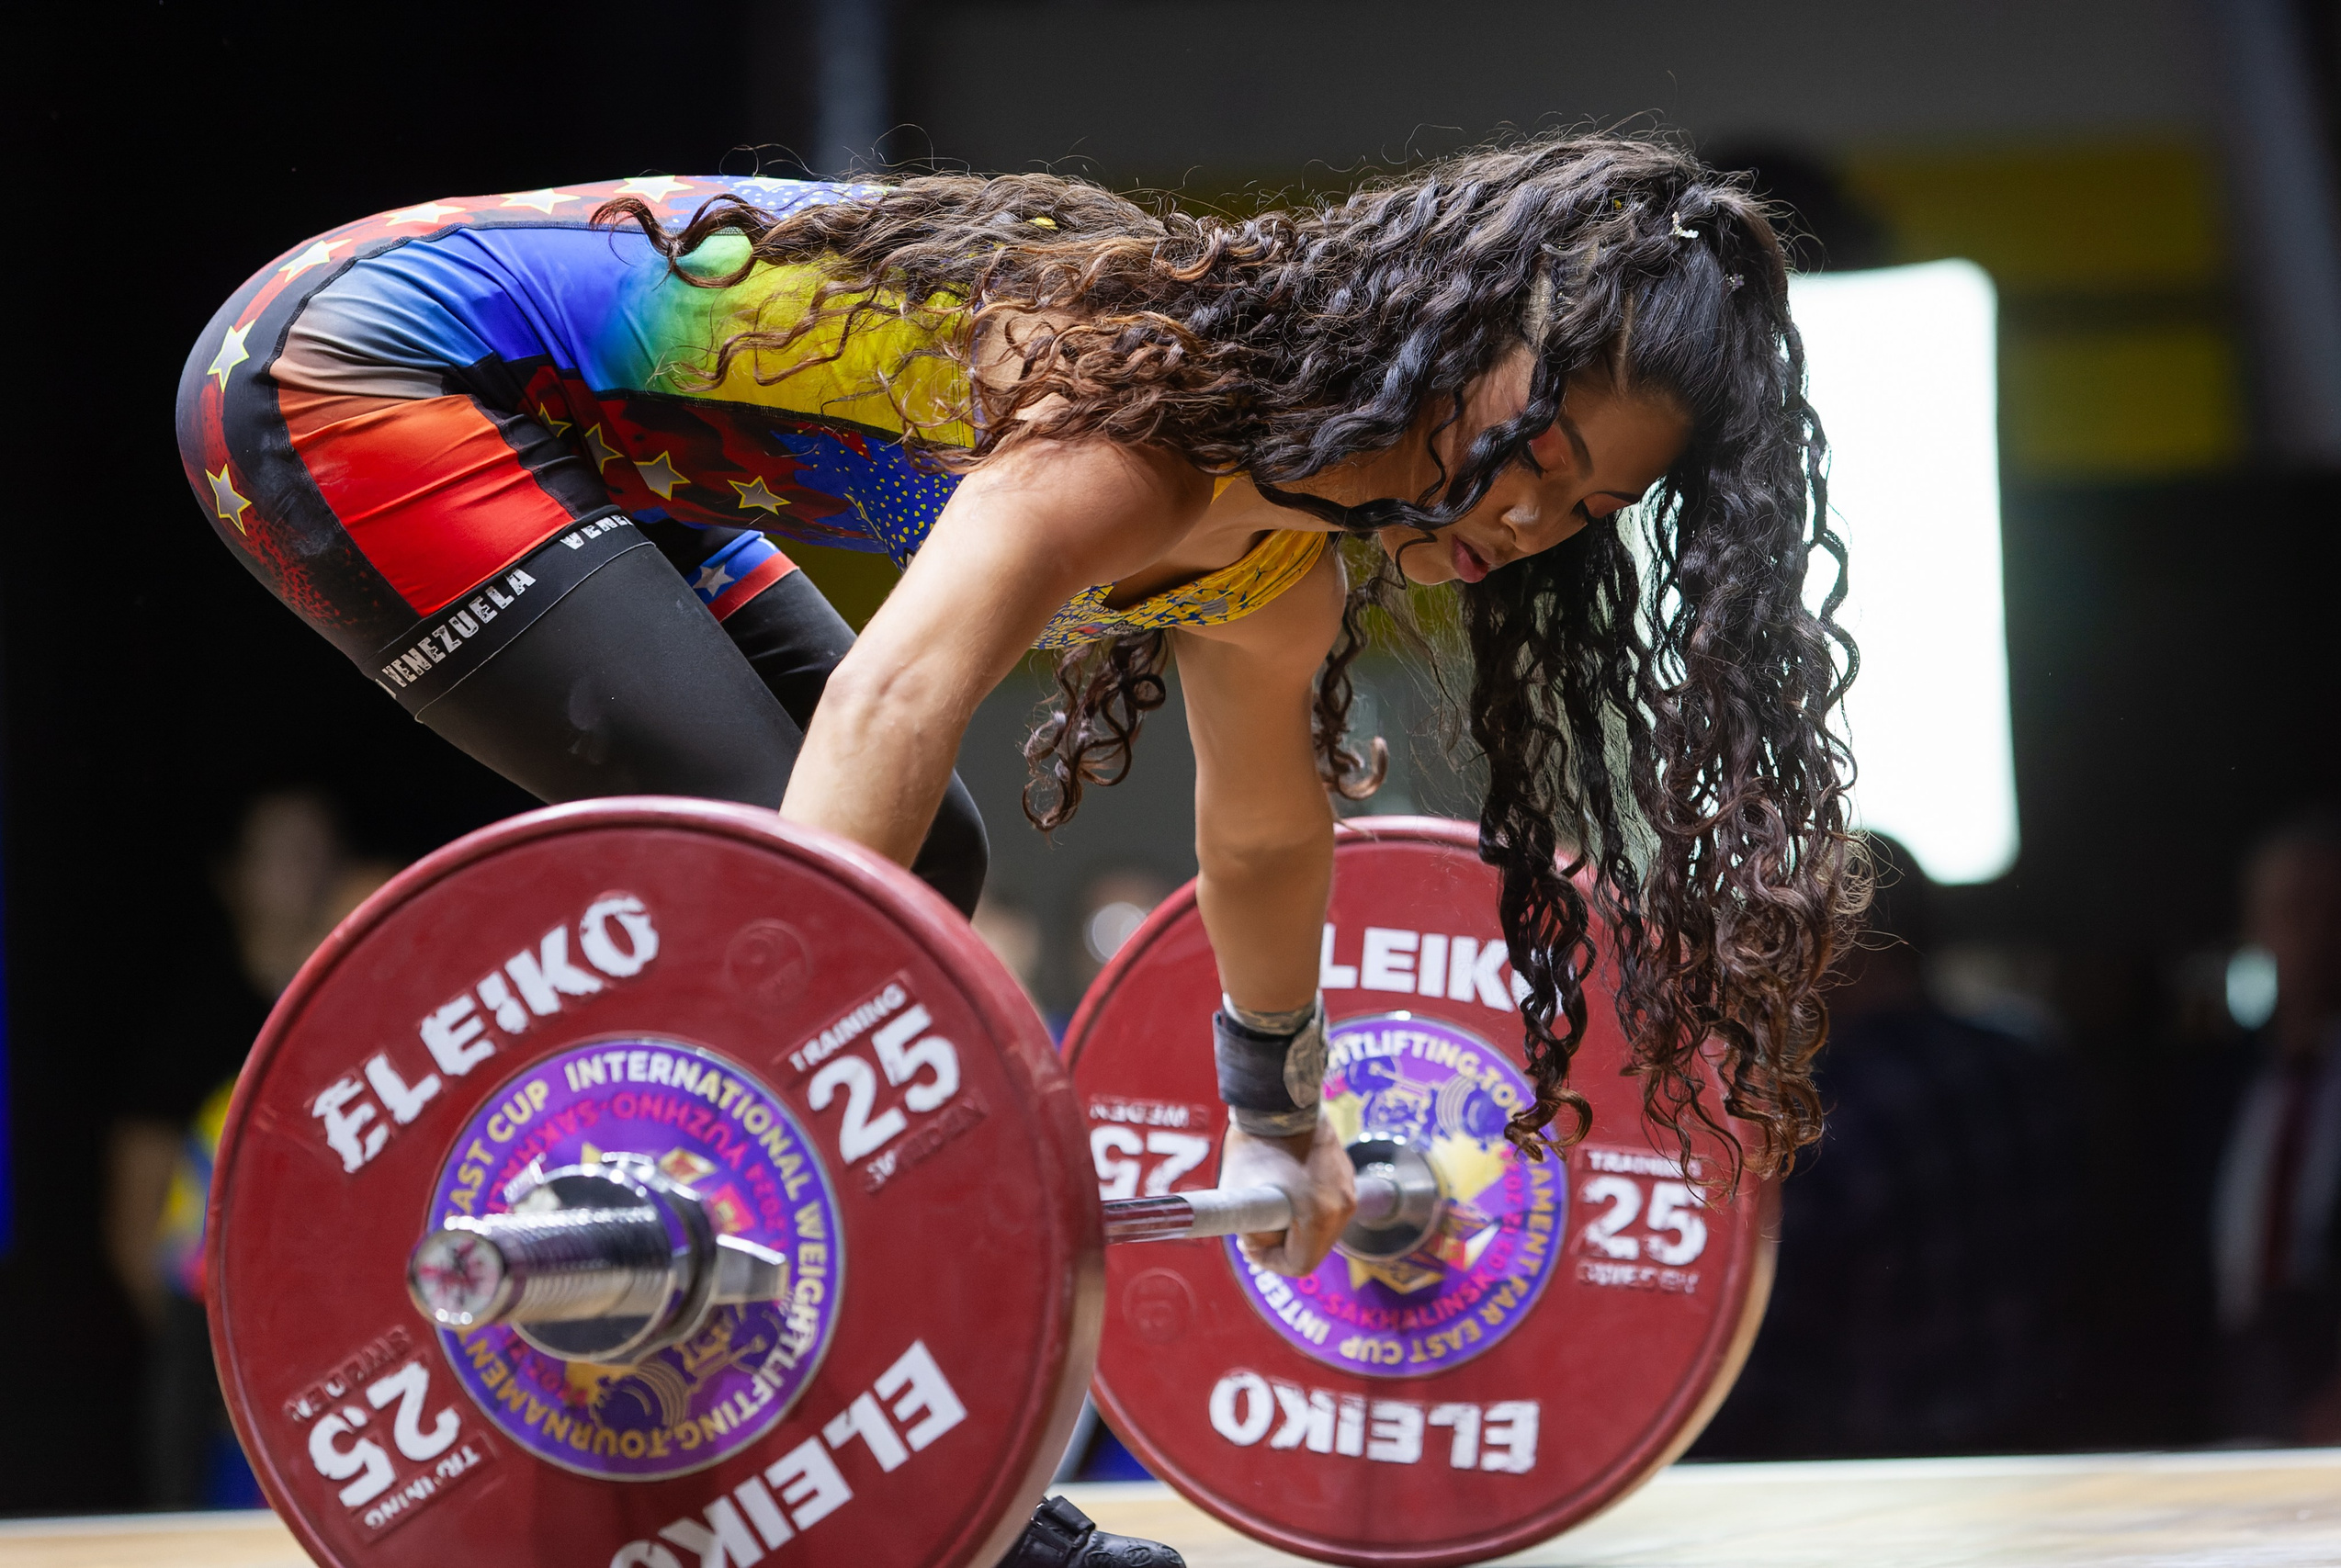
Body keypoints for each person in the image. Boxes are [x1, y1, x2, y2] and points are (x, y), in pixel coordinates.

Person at [176, 135, 1858, 1565]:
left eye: (1577, 513)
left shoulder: (1285, 559)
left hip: (597, 446)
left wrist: (1283, 1114)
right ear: (1477, 323)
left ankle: (811, 1422)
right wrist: (752, 1104)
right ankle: (881, 1443)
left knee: (932, 872)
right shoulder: (1140, 404)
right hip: (355, 371)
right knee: (828, 898)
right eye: (1541, 456)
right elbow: (904, 685)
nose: (1522, 521)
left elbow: (1266, 838)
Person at [1689, 837, 2084, 1458]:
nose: (1777, 960)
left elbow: (1763, 1329)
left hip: (1880, 1464)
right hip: (2040, 1440)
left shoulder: (1824, 1113)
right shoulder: (2024, 1063)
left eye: (1795, 931)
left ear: (1845, 943)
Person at [106, 792, 395, 1506]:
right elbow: (148, 1243)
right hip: (230, 1368)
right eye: (285, 854)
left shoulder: (387, 1030)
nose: (311, 873)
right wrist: (235, 1371)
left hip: (359, 1374)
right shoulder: (203, 1039)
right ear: (233, 875)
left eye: (323, 855)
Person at [2207, 807, 2341, 1442]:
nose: (2316, 934)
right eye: (2292, 910)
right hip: (2226, 1370)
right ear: (2255, 924)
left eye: (2337, 909)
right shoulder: (2218, 1075)